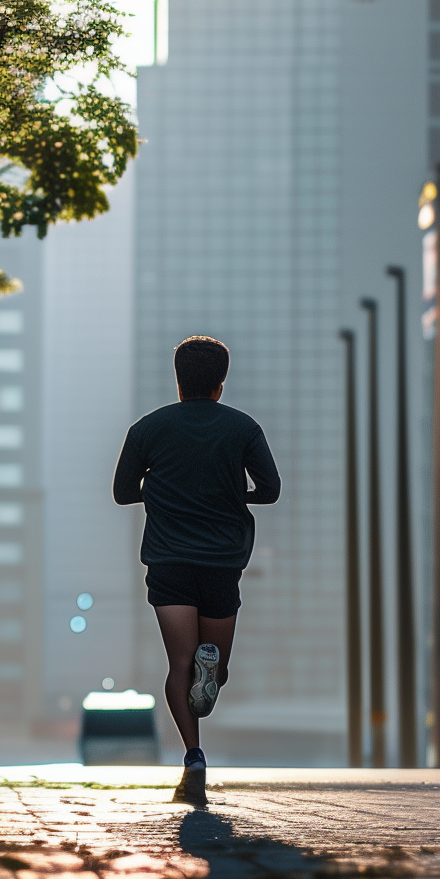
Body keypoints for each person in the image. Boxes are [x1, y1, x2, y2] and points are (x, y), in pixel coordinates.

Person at [112, 335, 281, 794]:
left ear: (178, 379)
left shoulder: (147, 429)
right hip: (222, 562)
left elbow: (123, 492)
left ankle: (193, 756)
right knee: (215, 667)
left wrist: (166, 490)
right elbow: (270, 489)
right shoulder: (243, 428)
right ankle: (216, 665)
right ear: (220, 384)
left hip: (169, 561)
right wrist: (229, 493)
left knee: (179, 664)